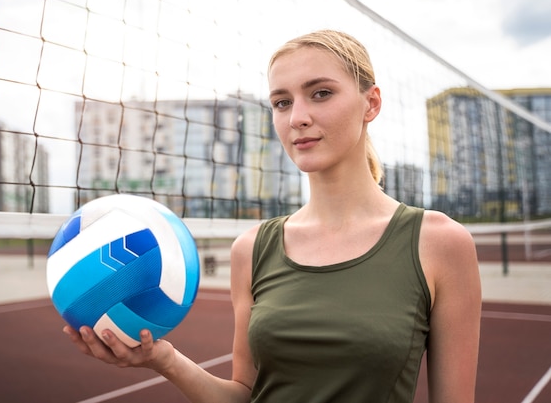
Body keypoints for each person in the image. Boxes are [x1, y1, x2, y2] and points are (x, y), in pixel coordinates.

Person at [64, 29, 481, 403]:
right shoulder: (252, 249)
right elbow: (243, 394)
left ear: (370, 103)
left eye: (320, 93)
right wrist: (165, 360)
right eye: (282, 102)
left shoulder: (439, 243)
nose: (297, 117)